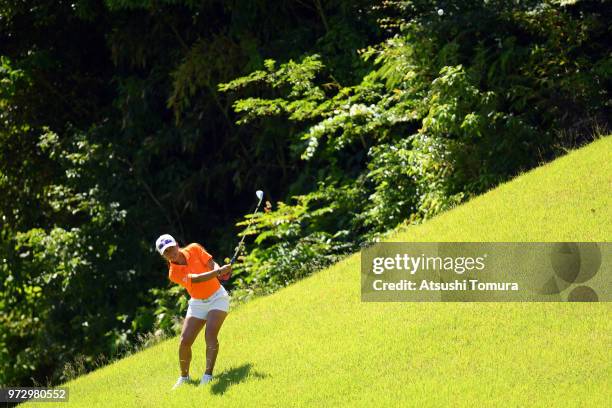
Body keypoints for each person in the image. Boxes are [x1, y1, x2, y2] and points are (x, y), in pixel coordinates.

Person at [155, 234, 232, 389]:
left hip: (218, 297)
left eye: (172, 248)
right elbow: (196, 279)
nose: (171, 253)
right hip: (197, 303)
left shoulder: (194, 248)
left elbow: (211, 263)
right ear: (163, 256)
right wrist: (218, 273)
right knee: (184, 341)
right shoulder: (173, 273)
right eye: (166, 252)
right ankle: (184, 377)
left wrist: (220, 271)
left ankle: (208, 375)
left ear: (177, 244)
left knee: (210, 334)